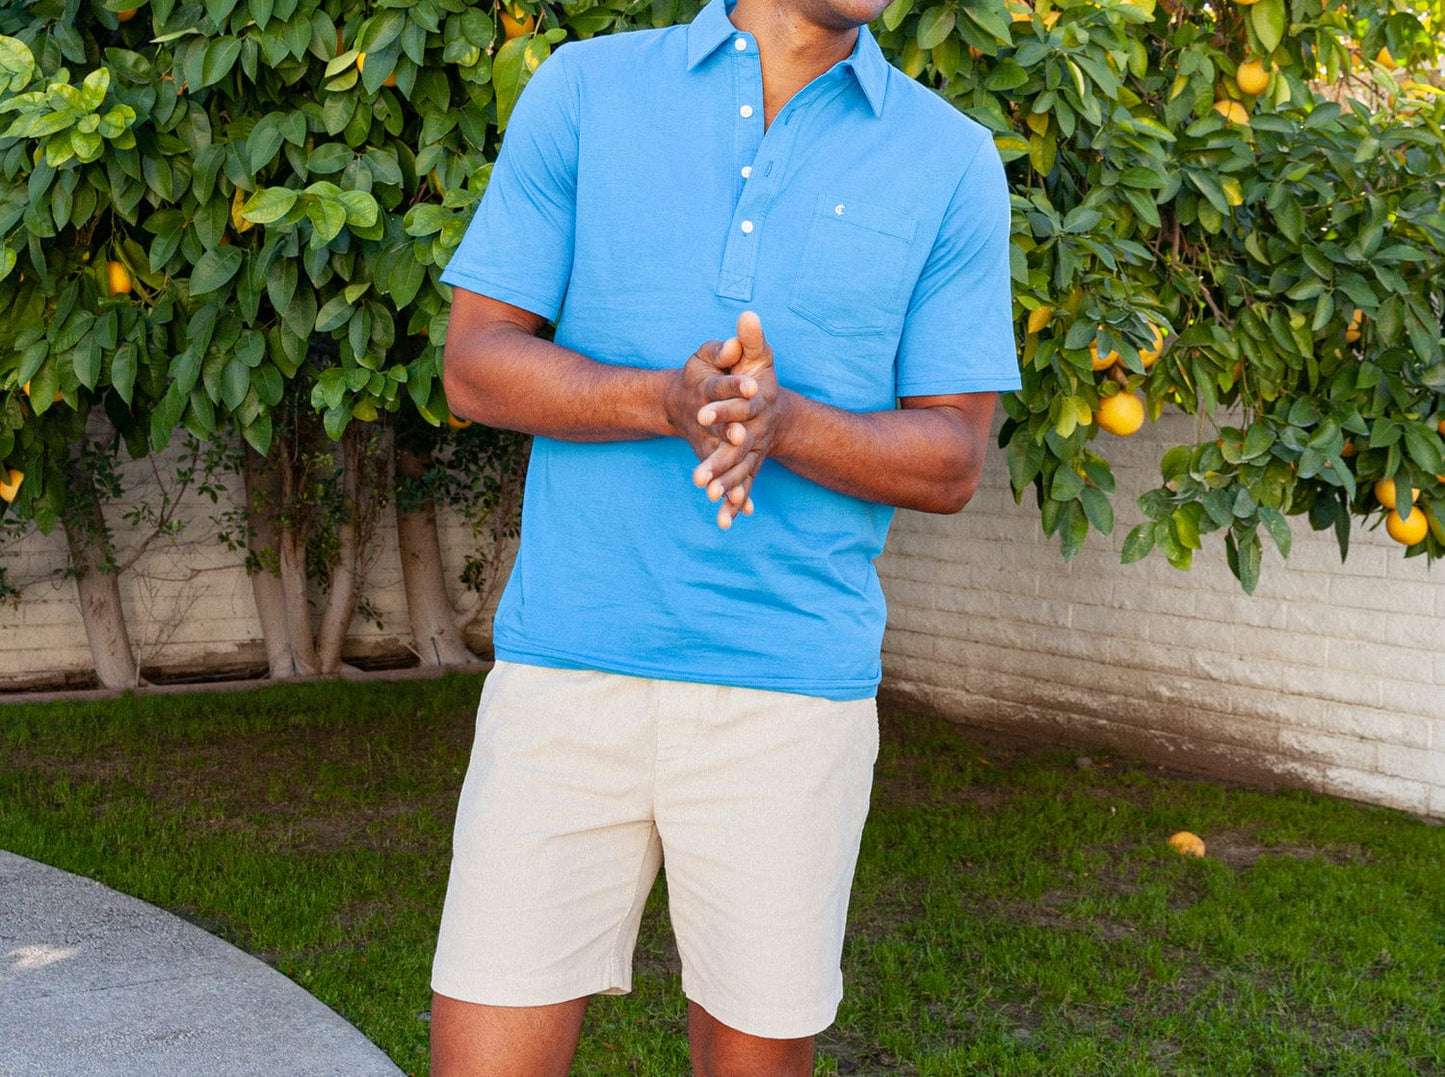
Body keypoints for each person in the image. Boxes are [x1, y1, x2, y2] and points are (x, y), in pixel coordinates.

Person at [430, 0, 1021, 1070]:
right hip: (565, 669)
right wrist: (665, 401)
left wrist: (782, 424)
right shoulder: (586, 90)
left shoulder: (950, 159)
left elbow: (951, 458)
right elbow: (474, 363)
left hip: (790, 698)